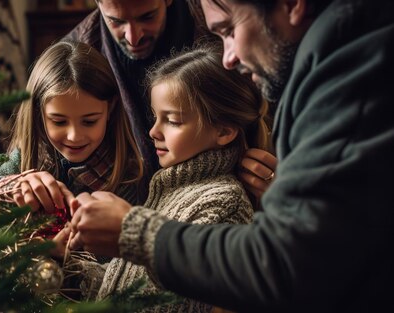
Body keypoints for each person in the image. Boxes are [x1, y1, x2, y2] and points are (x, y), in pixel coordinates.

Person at [68, 0, 394, 312]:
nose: (229, 58)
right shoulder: (337, 60)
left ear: (292, 4)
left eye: (229, 30)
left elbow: (283, 264)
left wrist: (132, 232)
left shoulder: (353, 78)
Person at [53, 45, 271, 311]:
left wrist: (129, 229)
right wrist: (67, 266)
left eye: (173, 121)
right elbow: (134, 288)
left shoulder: (224, 201)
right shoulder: (168, 189)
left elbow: (181, 302)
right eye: (156, 117)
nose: (154, 131)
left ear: (224, 131)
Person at [65, 0, 276, 200]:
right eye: (117, 21)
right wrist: (34, 175)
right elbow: (46, 149)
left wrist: (283, 183)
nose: (133, 37)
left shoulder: (224, 23)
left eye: (147, 16)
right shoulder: (74, 57)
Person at [0, 40, 144, 234]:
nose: (74, 136)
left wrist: (60, 252)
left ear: (111, 108)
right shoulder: (29, 158)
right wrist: (4, 187)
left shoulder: (129, 178)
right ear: (38, 113)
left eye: (89, 121)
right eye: (59, 122)